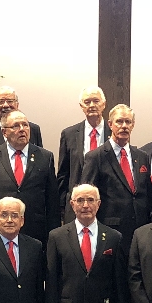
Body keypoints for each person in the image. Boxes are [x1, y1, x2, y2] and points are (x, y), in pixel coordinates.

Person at [0, 110, 59, 249]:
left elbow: (52, 202)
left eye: (25, 125)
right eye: (16, 126)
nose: (22, 129)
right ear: (4, 132)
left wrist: (53, 240)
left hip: (35, 232)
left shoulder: (45, 157)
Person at [79, 104, 152, 260]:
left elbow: (147, 193)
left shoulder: (142, 156)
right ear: (110, 124)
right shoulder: (96, 157)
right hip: (110, 229)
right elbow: (87, 196)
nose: (124, 126)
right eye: (119, 121)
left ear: (133, 125)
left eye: (128, 122)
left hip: (141, 229)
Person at [0, 86, 44, 189]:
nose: (5, 105)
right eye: (1, 102)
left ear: (17, 105)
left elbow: (40, 163)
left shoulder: (33, 129)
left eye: (10, 101)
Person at [58, 86, 109, 220]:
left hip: (107, 206)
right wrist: (63, 207)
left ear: (104, 104)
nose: (92, 105)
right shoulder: (69, 134)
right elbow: (63, 174)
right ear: (81, 106)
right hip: (76, 205)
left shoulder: (113, 133)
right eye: (87, 102)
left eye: (96, 101)